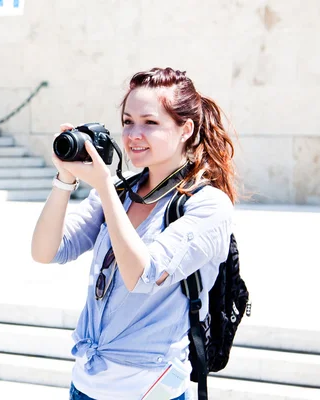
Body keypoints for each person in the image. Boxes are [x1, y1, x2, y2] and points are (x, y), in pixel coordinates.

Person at [31, 67, 237, 400]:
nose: (133, 134)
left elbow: (143, 275)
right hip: (85, 384)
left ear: (186, 129)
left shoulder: (207, 206)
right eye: (127, 121)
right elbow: (46, 251)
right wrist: (64, 179)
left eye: (150, 123)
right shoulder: (118, 192)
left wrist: (104, 187)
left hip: (150, 389)